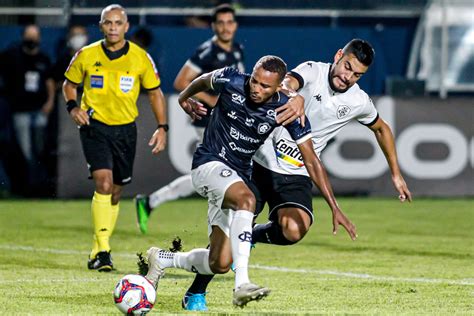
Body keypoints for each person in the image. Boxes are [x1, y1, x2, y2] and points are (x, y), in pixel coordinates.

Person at [176, 39, 413, 311]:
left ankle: (251, 236)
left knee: (295, 229)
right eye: (347, 66)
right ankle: (197, 289)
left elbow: (381, 129)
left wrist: (396, 174)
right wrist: (294, 94)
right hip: (258, 161)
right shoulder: (313, 71)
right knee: (223, 253)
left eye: (356, 74)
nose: (347, 77)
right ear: (338, 56)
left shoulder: (358, 100)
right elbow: (287, 82)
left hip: (297, 172)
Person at [143, 56, 356, 309]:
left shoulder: (287, 109)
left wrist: (334, 207)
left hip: (236, 177)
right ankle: (242, 284)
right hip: (209, 164)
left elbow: (311, 160)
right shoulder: (232, 79)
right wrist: (182, 99)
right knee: (247, 199)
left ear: (278, 87)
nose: (256, 88)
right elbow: (201, 80)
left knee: (219, 262)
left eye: (265, 86)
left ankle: (163, 259)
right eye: (255, 81)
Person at [62, 4, 168, 272]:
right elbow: (69, 84)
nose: (112, 27)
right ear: (100, 26)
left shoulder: (140, 57)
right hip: (94, 126)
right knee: (104, 183)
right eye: (107, 23)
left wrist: (162, 127)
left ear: (126, 26)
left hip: (125, 130)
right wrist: (73, 107)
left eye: (117, 23)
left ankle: (100, 245)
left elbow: (155, 93)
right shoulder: (86, 54)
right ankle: (103, 251)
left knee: (117, 190)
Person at [135, 3, 245, 234]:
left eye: (229, 22)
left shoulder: (237, 49)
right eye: (221, 23)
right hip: (208, 121)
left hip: (227, 121)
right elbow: (180, 82)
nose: (226, 28)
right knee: (221, 174)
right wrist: (210, 99)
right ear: (213, 26)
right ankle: (224, 234)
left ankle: (151, 201)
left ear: (235, 25)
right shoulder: (206, 52)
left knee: (211, 174)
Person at [2, 24, 55, 193]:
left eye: (34, 36)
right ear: (23, 37)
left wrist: (49, 102)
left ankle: (38, 185)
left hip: (39, 109)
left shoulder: (43, 58)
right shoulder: (12, 56)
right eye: (29, 36)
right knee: (25, 150)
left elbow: (49, 82)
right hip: (20, 110)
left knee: (40, 147)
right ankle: (27, 186)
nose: (32, 40)